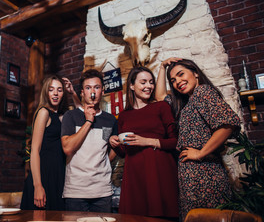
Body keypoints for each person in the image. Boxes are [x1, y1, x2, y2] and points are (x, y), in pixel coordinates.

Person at [156, 58, 241, 220]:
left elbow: (227, 125)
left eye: (181, 75)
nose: (178, 82)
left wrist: (200, 153)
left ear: (195, 73)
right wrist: (162, 67)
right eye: (173, 80)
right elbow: (160, 97)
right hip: (190, 177)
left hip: (206, 174)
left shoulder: (203, 92)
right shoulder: (185, 103)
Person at [109, 66, 179, 220]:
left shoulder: (161, 107)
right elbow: (122, 151)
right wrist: (114, 142)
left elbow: (175, 142)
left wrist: (145, 141)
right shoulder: (124, 115)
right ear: (132, 86)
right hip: (134, 174)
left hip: (160, 172)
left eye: (151, 82)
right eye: (143, 82)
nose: (148, 86)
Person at [61, 69, 118, 212]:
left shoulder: (110, 120)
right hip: (76, 191)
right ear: (82, 92)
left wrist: (101, 162)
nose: (92, 91)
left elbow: (111, 150)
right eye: (88, 88)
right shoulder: (71, 116)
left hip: (102, 192)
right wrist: (88, 121)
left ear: (102, 91)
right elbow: (67, 148)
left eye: (97, 87)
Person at [20, 75, 80, 210]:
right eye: (51, 89)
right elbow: (35, 150)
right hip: (43, 175)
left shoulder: (63, 115)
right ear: (46, 92)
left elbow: (82, 114)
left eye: (59, 90)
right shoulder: (43, 112)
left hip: (58, 174)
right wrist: (37, 186)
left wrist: (73, 93)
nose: (55, 93)